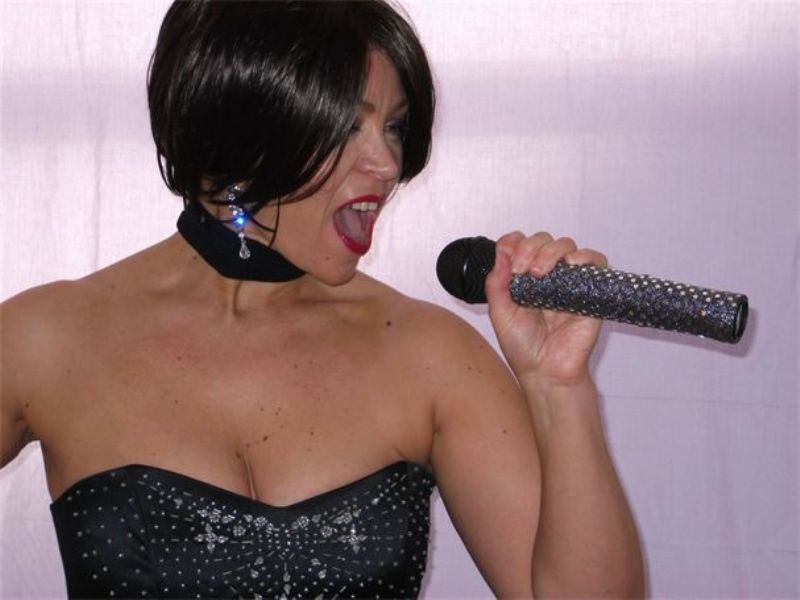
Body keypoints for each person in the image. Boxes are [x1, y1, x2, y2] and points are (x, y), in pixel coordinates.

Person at [1, 1, 644, 598]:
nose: (386, 164)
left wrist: (559, 387)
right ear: (237, 120)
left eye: (394, 127)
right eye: (346, 125)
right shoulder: (46, 339)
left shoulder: (433, 356)